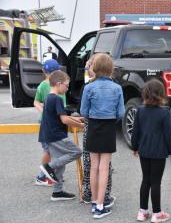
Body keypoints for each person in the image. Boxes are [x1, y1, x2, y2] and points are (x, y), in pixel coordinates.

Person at [80, 53, 125, 219]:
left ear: (95, 68)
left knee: (93, 166)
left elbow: (84, 111)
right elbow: (121, 112)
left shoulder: (88, 87)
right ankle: (100, 205)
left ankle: (93, 202)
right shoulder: (117, 88)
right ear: (110, 68)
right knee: (104, 167)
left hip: (92, 126)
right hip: (108, 127)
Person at [131, 79, 171, 223]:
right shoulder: (164, 112)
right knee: (156, 182)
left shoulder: (140, 110)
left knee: (146, 180)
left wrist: (135, 147)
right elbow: (168, 135)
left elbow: (135, 131)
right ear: (161, 94)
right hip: (159, 152)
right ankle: (157, 213)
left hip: (144, 150)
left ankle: (143, 211)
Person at [39, 70, 83, 201]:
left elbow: (59, 117)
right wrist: (81, 126)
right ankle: (48, 167)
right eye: (67, 85)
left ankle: (57, 192)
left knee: (61, 162)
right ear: (58, 84)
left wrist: (77, 119)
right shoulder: (57, 99)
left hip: (49, 135)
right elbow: (64, 120)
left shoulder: (48, 97)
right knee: (77, 152)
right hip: (57, 135)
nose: (68, 88)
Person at [34, 59, 66, 186]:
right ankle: (41, 176)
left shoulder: (53, 84)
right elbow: (37, 102)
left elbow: (36, 102)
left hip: (54, 122)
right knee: (49, 150)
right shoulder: (47, 85)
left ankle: (55, 174)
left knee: (54, 150)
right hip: (51, 123)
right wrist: (44, 111)